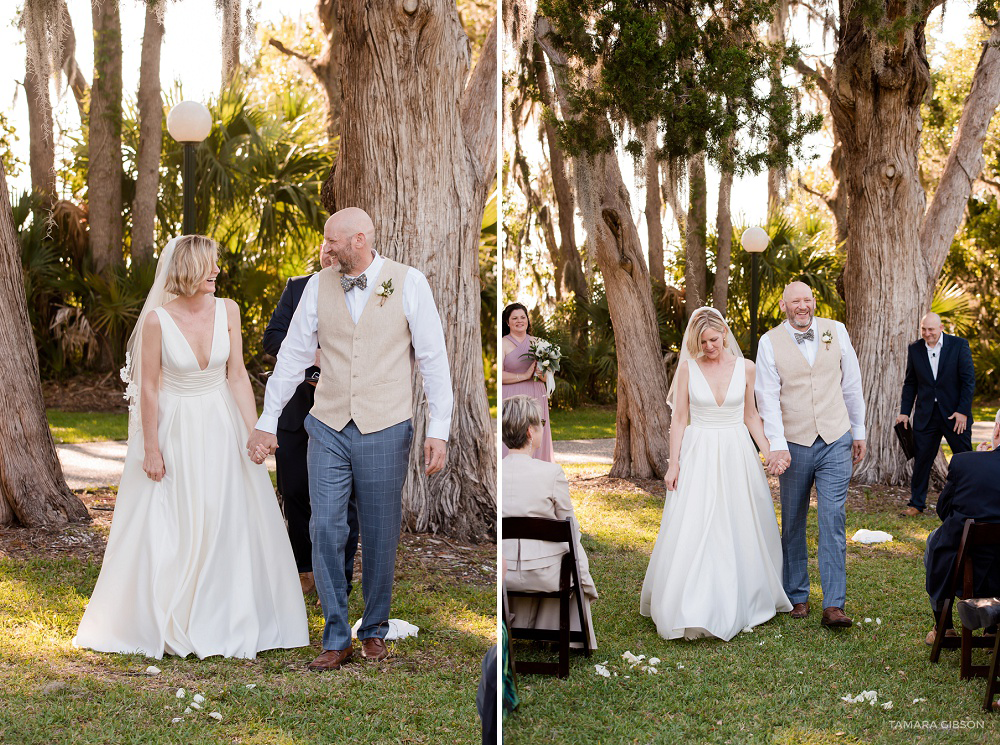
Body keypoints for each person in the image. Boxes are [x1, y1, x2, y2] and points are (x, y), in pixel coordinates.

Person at [73, 236, 309, 659]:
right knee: (176, 515)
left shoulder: (229, 310)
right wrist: (151, 448)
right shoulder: (157, 322)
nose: (217, 271)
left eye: (216, 265)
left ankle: (227, 614)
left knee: (229, 513)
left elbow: (237, 374)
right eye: (209, 266)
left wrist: (254, 429)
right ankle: (172, 612)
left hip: (221, 421)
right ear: (187, 269)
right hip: (175, 425)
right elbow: (150, 388)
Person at [247, 207, 453, 671]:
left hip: (386, 425)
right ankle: (336, 635)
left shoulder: (408, 282)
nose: (328, 247)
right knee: (325, 527)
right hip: (327, 425)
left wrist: (439, 430)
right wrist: (267, 420)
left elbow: (434, 360)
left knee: (380, 532)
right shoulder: (316, 287)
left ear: (359, 239)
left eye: (334, 240)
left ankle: (374, 629)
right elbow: (293, 357)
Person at [640, 307, 790, 641]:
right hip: (700, 450)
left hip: (737, 450)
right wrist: (673, 463)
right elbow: (679, 419)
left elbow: (751, 415)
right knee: (698, 521)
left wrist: (770, 453)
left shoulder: (746, 368)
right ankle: (694, 600)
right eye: (703, 341)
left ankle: (746, 594)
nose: (709, 346)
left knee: (738, 520)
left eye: (714, 339)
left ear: (724, 332)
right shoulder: (687, 370)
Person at [755, 281, 866, 629]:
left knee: (833, 519)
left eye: (807, 300)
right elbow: (767, 397)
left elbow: (851, 383)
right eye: (795, 301)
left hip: (835, 438)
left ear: (813, 302)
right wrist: (777, 443)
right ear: (784, 305)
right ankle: (797, 595)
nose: (802, 306)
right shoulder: (769, 342)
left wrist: (858, 431)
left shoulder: (837, 331)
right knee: (793, 522)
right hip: (794, 442)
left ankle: (834, 605)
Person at [262, 242, 358, 598]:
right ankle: (304, 570)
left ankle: (339, 578)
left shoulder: (363, 290)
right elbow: (271, 338)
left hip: (343, 411)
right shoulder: (297, 286)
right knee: (296, 493)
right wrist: (307, 352)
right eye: (325, 247)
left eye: (338, 247)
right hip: (296, 412)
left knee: (344, 501)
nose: (330, 254)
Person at [502, 394, 598, 649]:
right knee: (571, 549)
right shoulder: (550, 472)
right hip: (545, 576)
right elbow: (570, 527)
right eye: (541, 423)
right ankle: (568, 635)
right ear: (529, 432)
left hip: (504, 574)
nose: (543, 427)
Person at [923, 409, 1000, 645]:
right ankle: (993, 629)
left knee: (933, 540)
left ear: (997, 430)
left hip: (964, 569)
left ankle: (944, 627)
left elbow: (944, 511)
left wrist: (978, 461)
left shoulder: (966, 462)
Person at [896, 312, 975, 517]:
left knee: (965, 458)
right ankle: (916, 504)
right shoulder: (915, 349)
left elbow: (968, 381)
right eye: (923, 329)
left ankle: (969, 502)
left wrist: (962, 412)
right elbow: (910, 383)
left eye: (931, 329)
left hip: (955, 415)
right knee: (922, 460)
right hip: (926, 415)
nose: (927, 333)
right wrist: (905, 413)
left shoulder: (959, 345)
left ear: (941, 328)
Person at [501, 303, 553, 461]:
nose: (519, 321)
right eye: (514, 318)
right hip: (512, 396)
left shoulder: (539, 343)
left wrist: (541, 372)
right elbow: (499, 375)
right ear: (507, 322)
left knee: (535, 434)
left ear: (527, 320)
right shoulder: (503, 343)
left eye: (523, 317)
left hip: (536, 395)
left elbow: (548, 377)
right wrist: (524, 375)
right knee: (514, 434)